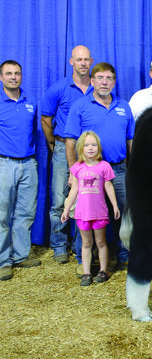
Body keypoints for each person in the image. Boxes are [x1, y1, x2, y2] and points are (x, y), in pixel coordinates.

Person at [64, 62, 135, 273]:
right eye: (100, 78)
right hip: (89, 172)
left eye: (109, 78)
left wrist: (132, 167)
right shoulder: (80, 106)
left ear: (114, 82)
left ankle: (124, 255)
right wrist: (73, 173)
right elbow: (71, 141)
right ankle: (83, 260)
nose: (105, 82)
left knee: (123, 212)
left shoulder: (124, 106)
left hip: (118, 170)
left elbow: (130, 139)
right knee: (85, 214)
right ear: (92, 81)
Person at [41, 45, 94, 264]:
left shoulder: (97, 86)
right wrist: (54, 145)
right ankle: (59, 246)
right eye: (78, 59)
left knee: (86, 199)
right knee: (59, 199)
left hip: (89, 152)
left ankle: (81, 246)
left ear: (91, 62)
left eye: (86, 59)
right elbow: (46, 119)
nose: (83, 63)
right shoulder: (59, 88)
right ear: (71, 62)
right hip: (64, 148)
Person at [61, 131, 120, 287]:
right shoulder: (77, 167)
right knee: (86, 243)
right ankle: (86, 273)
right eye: (87, 145)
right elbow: (74, 190)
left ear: (98, 147)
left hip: (99, 212)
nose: (90, 148)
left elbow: (108, 186)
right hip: (82, 213)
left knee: (101, 242)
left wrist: (115, 205)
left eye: (93, 145)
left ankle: (103, 270)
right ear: (81, 148)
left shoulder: (104, 166)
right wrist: (66, 209)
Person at [0, 60, 40, 281]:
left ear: (22, 76)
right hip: (4, 163)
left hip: (28, 163)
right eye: (8, 73)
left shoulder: (30, 100)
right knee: (2, 214)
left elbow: (33, 131)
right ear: (1, 77)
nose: (13, 77)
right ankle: (3, 261)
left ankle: (21, 255)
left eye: (17, 73)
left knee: (26, 212)